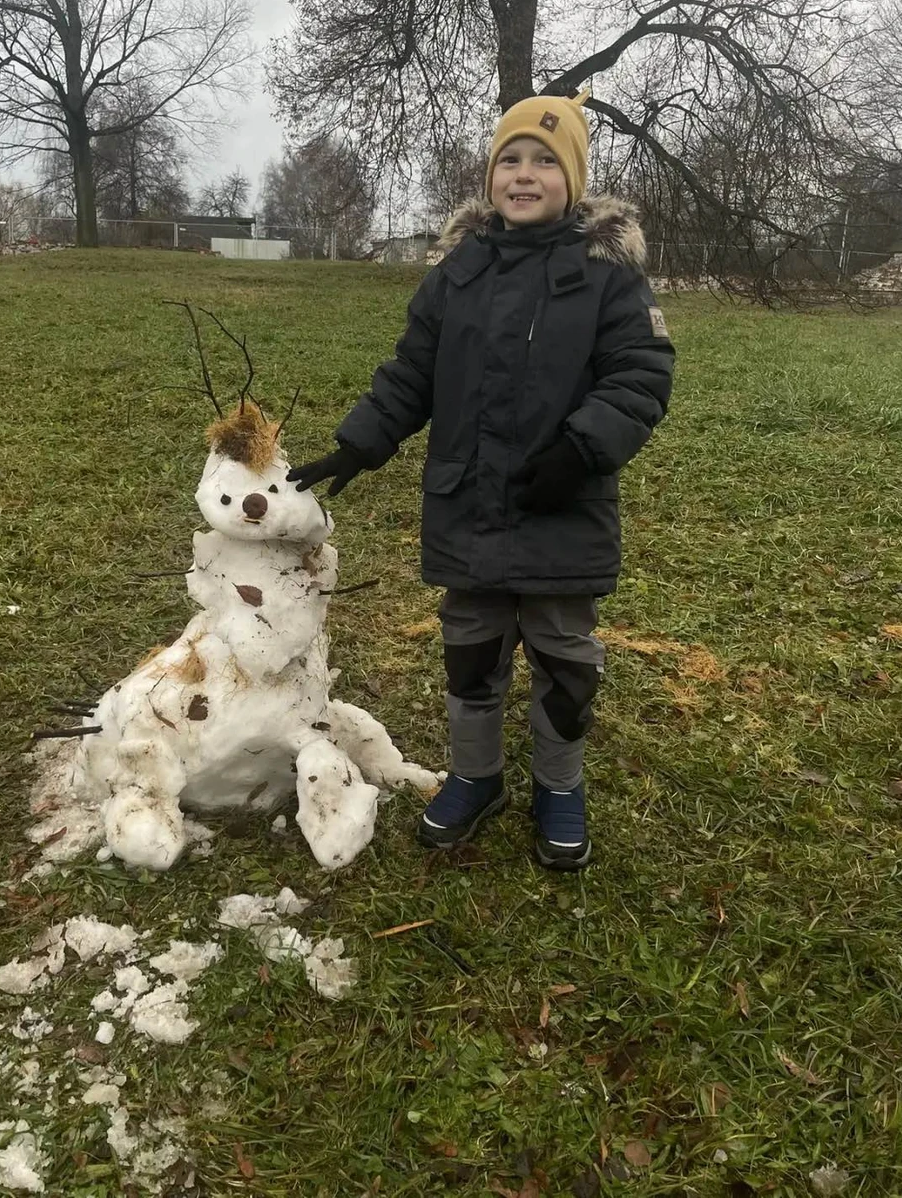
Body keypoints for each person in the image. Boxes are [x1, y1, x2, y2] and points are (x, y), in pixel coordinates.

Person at [288, 91, 675, 869]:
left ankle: (560, 788)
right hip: (467, 503)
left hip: (563, 506)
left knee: (564, 653)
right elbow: (412, 372)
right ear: (491, 175)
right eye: (510, 160)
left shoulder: (609, 278)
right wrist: (359, 444)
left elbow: (641, 375)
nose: (524, 176)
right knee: (470, 646)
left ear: (572, 178)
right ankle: (476, 776)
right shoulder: (457, 273)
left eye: (544, 162)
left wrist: (582, 450)